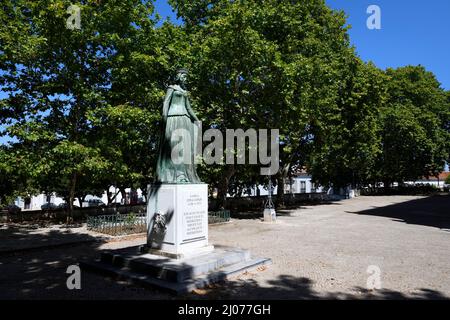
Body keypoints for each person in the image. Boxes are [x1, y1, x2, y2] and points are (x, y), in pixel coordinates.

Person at [155, 69, 201, 183]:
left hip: (185, 119)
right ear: (179, 76)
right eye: (184, 76)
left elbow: (189, 108)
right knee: (174, 146)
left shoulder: (185, 92)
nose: (185, 79)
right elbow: (166, 102)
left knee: (184, 148)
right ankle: (174, 175)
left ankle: (184, 174)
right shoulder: (172, 88)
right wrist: (164, 118)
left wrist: (197, 120)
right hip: (173, 117)